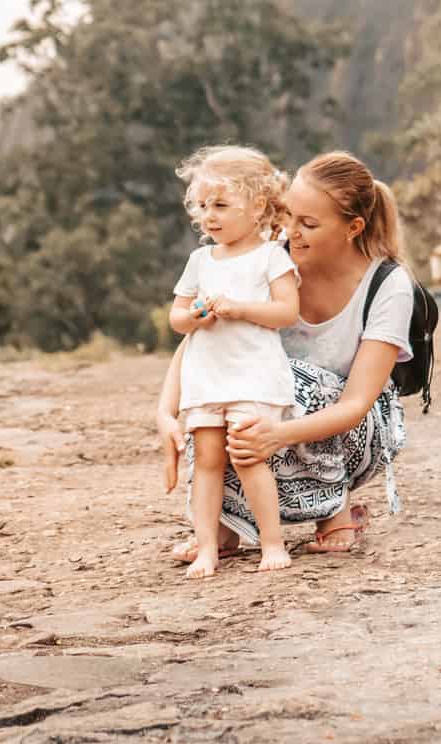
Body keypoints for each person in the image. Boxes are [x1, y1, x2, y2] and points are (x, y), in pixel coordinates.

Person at [157, 150, 412, 560]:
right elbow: (204, 342)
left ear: (354, 227)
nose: (290, 231)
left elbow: (355, 404)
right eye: (288, 215)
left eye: (308, 224)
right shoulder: (267, 254)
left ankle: (336, 511)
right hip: (265, 398)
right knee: (223, 404)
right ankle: (225, 525)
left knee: (290, 382)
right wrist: (167, 414)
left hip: (354, 426)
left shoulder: (389, 285)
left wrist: (276, 434)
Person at [168, 145, 302, 579]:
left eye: (222, 205)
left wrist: (241, 308)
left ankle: (272, 541)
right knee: (206, 459)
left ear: (258, 206)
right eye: (203, 205)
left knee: (247, 459)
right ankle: (207, 546)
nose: (210, 216)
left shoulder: (270, 257)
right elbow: (177, 318)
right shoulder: (200, 260)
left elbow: (286, 313)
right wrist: (194, 317)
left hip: (252, 378)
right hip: (206, 378)